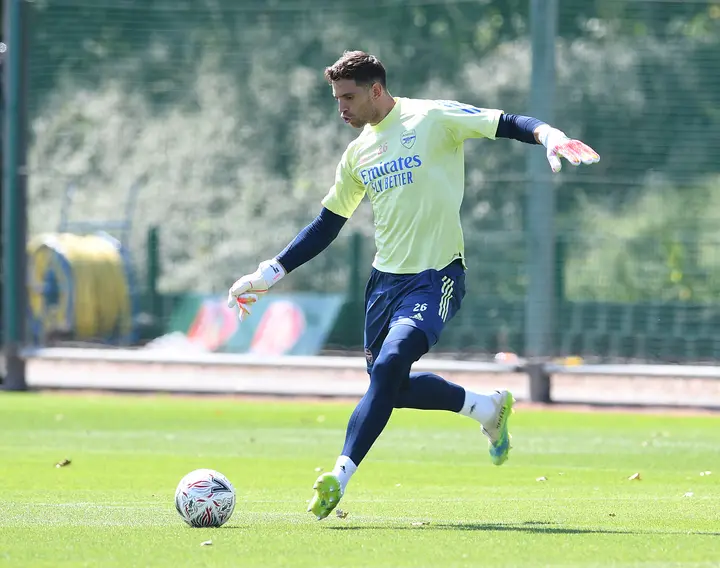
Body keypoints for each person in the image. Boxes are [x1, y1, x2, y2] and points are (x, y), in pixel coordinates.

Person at [227, 51, 600, 520]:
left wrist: (549, 135)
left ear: (376, 90)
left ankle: (338, 476)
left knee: (391, 365)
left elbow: (503, 122)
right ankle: (487, 410)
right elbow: (327, 225)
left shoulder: (432, 116)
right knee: (391, 386)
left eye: (348, 97)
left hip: (437, 275)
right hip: (385, 285)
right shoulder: (357, 153)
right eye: (337, 98)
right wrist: (267, 274)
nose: (340, 107)